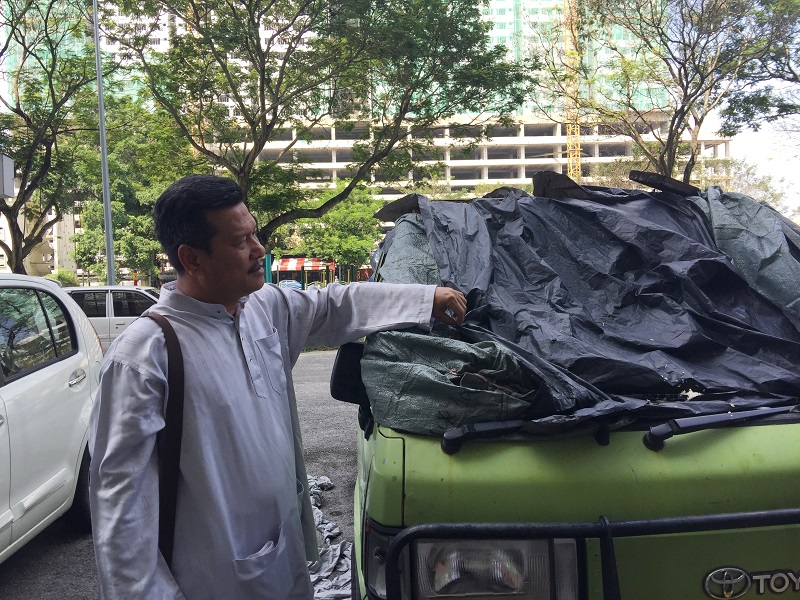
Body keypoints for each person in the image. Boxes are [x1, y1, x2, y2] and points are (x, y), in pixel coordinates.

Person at [89, 174, 467, 599]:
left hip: (281, 560)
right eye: (239, 242)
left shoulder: (262, 307)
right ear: (191, 259)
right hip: (212, 578)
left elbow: (335, 305)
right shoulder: (144, 356)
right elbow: (121, 508)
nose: (259, 251)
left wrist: (425, 298)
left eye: (255, 234)